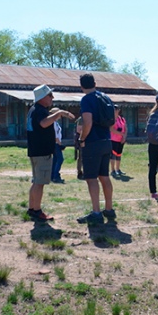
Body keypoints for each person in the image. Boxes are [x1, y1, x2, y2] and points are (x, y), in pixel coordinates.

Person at [26, 85, 73, 222]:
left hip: (36, 151)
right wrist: (59, 114)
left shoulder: (34, 110)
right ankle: (37, 211)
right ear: (42, 97)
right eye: (50, 95)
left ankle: (31, 208)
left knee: (36, 182)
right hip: (41, 152)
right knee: (39, 183)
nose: (52, 98)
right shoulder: (40, 111)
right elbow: (44, 123)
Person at [76, 74, 117, 224]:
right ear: (94, 83)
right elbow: (112, 121)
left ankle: (96, 212)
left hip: (93, 142)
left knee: (91, 178)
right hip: (107, 140)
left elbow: (87, 122)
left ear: (81, 86)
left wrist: (82, 139)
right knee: (104, 176)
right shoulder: (106, 98)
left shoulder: (86, 99)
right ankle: (109, 208)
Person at [109, 106, 128, 178]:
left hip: (121, 140)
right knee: (113, 155)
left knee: (119, 155)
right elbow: (111, 129)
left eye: (116, 109)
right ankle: (113, 170)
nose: (115, 111)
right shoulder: (112, 119)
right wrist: (121, 134)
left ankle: (118, 169)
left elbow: (125, 128)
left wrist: (124, 137)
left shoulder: (122, 119)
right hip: (113, 139)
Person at [50, 115, 65, 183]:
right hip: (55, 143)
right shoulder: (53, 123)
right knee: (60, 159)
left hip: (56, 143)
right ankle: (55, 175)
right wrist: (59, 144)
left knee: (55, 159)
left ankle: (52, 175)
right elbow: (55, 135)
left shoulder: (55, 123)